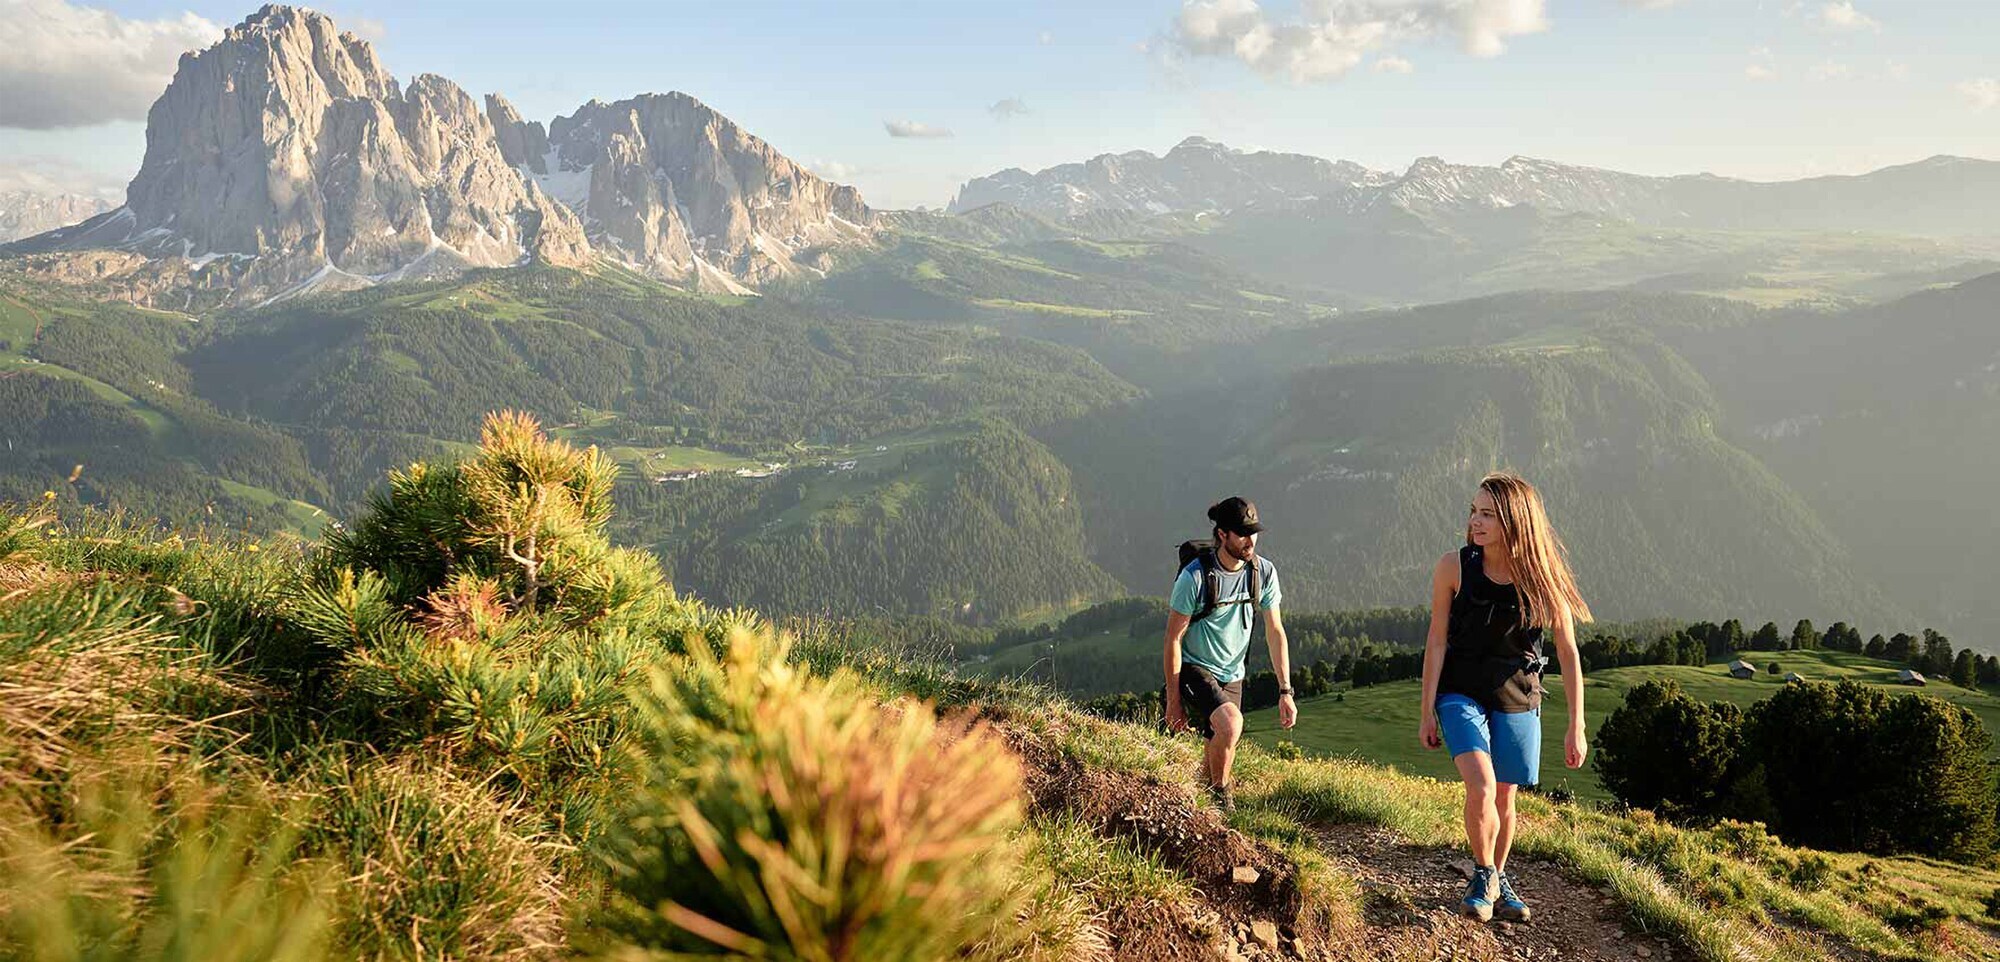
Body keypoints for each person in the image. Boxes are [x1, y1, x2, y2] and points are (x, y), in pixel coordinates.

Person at [1417, 472, 1591, 923]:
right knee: (1482, 783)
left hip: (1519, 695)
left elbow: (1569, 652)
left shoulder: (1544, 576)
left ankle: (1497, 876)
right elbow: (1436, 641)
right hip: (1461, 692)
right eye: (1473, 511)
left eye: (1487, 514)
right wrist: (1426, 711)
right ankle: (1484, 872)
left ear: (1515, 520)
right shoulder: (1452, 567)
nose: (1475, 521)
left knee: (1505, 799)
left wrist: (1577, 725)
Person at [1164, 496, 1296, 812]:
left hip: (1233, 673)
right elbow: (1172, 638)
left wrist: (1285, 691)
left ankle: (1201, 807)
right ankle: (1225, 803)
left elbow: (1275, 632)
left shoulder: (1262, 572)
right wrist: (1174, 701)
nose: (1250, 540)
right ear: (1222, 534)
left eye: (1253, 532)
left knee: (1220, 745)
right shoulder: (1194, 577)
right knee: (1232, 724)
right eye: (1242, 533)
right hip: (1195, 668)